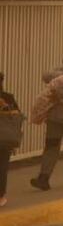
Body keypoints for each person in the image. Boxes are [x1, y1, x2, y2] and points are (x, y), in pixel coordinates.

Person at [29, 55, 63, 191]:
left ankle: (44, 178)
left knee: (51, 147)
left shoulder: (55, 79)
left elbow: (46, 75)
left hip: (55, 118)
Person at [0, 71, 22, 207]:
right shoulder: (8, 97)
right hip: (4, 139)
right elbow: (16, 119)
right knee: (2, 167)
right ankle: (0, 195)